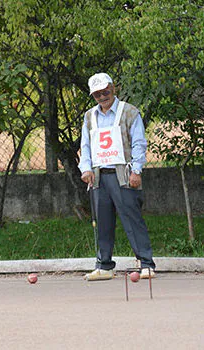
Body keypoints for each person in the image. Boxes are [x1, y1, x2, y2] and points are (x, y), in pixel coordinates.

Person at [78, 73, 156, 281]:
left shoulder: (130, 112)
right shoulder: (89, 117)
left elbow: (139, 143)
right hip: (99, 176)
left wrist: (136, 170)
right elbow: (85, 146)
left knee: (132, 219)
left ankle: (146, 263)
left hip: (123, 175)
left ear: (114, 88)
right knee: (102, 222)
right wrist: (85, 169)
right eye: (97, 94)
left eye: (105, 91)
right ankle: (104, 265)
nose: (102, 97)